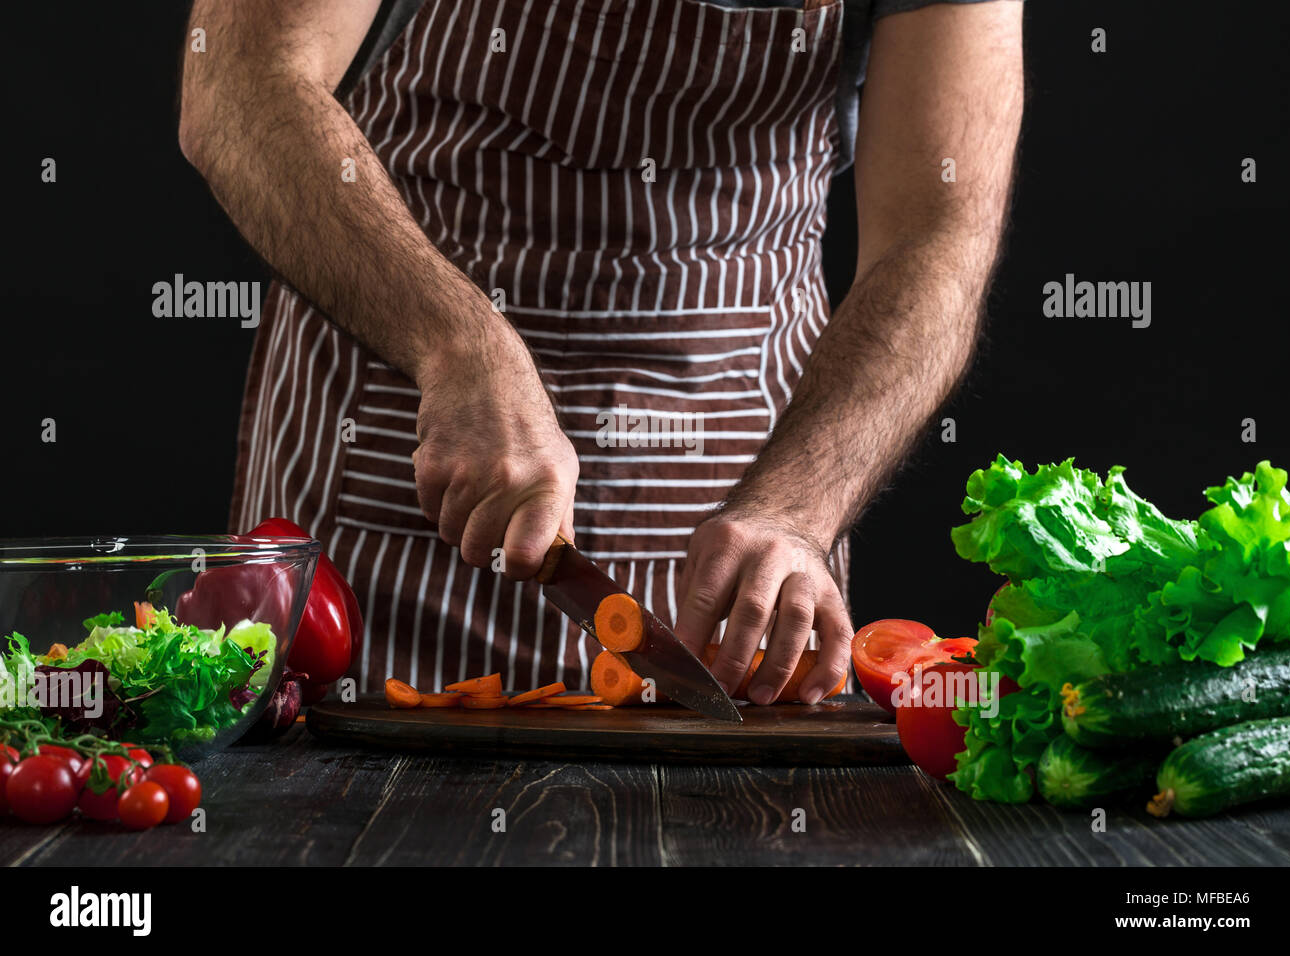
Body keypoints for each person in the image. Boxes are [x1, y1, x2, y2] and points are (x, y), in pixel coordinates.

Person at [178, 0, 1024, 704]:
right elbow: (241, 81)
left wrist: (797, 510)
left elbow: (935, 231)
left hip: (736, 506)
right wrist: (455, 345)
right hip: (393, 477)